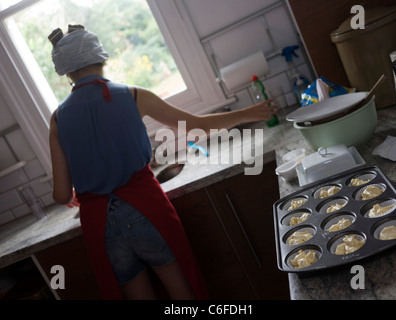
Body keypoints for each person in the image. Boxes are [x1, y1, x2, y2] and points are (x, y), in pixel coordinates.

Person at [48, 25, 277, 300]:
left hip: (100, 224)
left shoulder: (58, 118)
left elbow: (62, 194)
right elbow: (197, 127)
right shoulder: (132, 95)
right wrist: (248, 113)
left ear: (66, 73)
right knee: (183, 294)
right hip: (145, 208)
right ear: (102, 59)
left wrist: (85, 188)